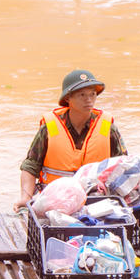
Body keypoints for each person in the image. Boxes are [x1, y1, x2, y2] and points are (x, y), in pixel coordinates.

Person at [14, 69, 127, 211]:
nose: (89, 100)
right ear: (68, 98)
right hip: (55, 201)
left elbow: (123, 166)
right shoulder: (50, 128)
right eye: (82, 95)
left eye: (92, 94)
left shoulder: (107, 128)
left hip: (96, 201)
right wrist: (26, 197)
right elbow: (30, 166)